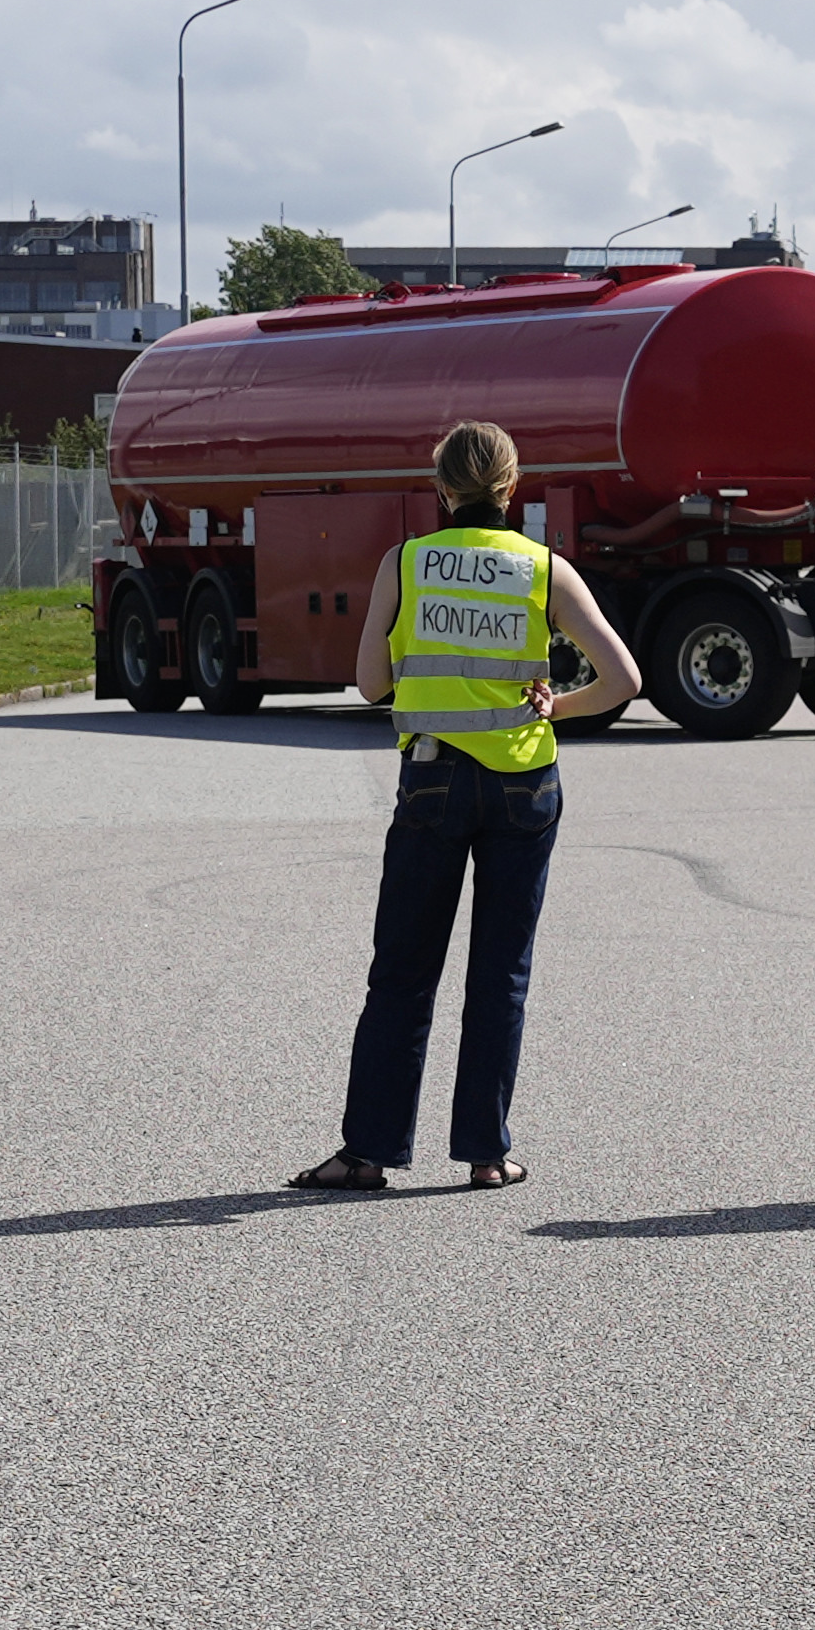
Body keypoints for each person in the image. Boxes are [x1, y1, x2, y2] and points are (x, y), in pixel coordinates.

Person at [288, 424, 647, 1198]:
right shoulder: (543, 569)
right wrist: (558, 706)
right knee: (499, 975)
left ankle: (368, 1152)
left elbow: (370, 684)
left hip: (432, 780)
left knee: (404, 972)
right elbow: (624, 679)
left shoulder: (406, 563)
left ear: (440, 487)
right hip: (523, 785)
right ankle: (486, 1153)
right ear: (512, 488)